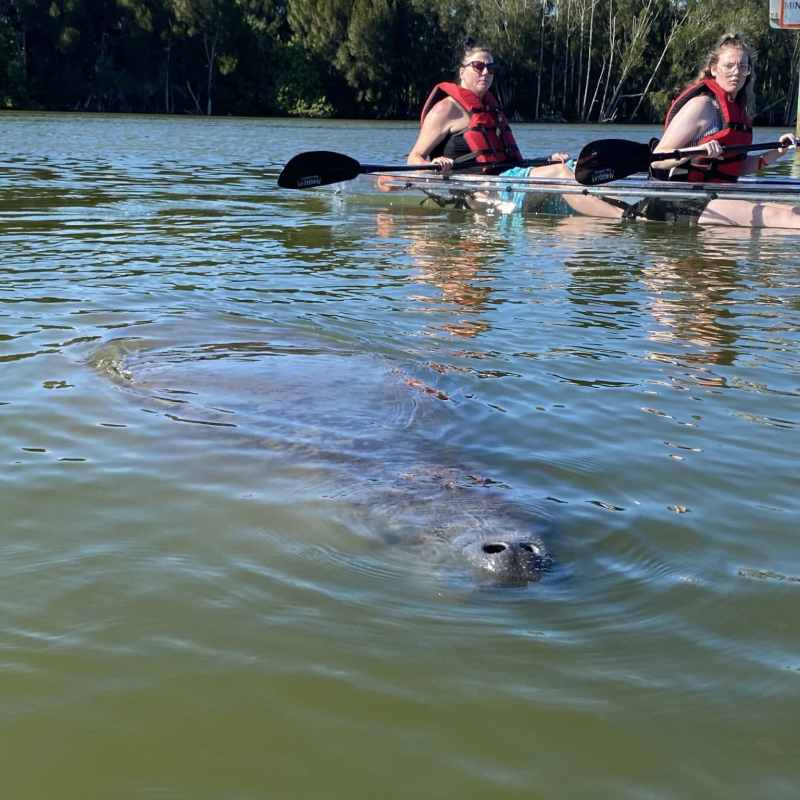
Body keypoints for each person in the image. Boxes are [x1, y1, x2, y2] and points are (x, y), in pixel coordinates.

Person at [634, 32, 799, 227]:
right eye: (729, 66)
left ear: (748, 73)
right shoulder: (702, 106)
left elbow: (738, 167)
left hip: (717, 197)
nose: (736, 72)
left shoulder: (739, 111)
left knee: (793, 211)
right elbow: (657, 161)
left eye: (743, 67)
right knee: (787, 220)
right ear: (714, 69)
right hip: (682, 201)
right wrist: (696, 150)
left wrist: (778, 152)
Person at [407, 39, 568, 175]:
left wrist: (547, 161)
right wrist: (435, 164)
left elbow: (510, 164)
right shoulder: (445, 109)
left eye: (490, 68)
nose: (485, 72)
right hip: (477, 191)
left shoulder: (491, 110)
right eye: (478, 66)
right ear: (462, 72)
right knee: (560, 173)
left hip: (506, 181)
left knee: (567, 167)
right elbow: (414, 159)